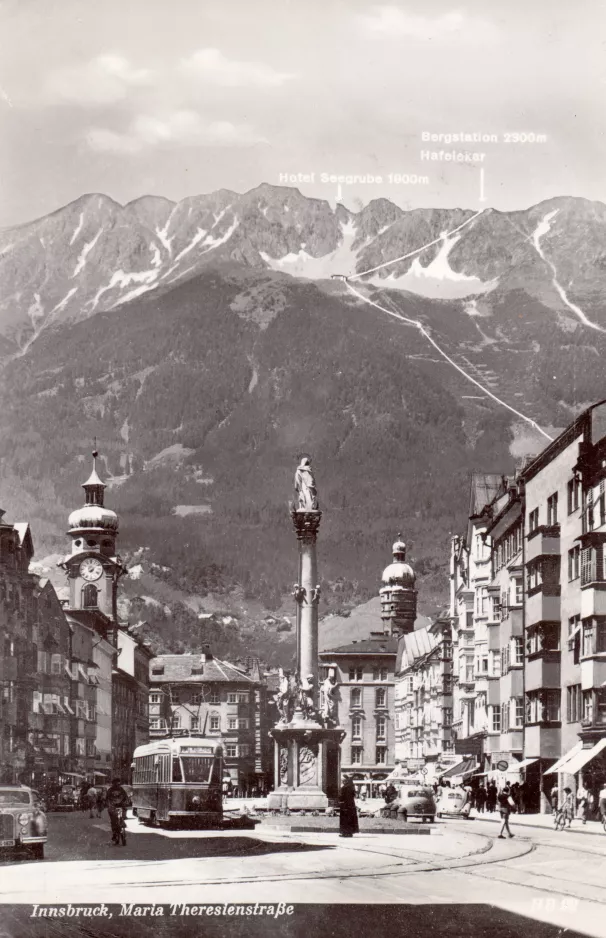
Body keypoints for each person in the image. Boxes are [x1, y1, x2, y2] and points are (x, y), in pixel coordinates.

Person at [106, 778, 130, 845]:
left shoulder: (111, 790)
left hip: (116, 807)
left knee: (114, 821)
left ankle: (115, 833)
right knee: (114, 821)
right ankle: (115, 832)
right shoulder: (119, 789)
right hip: (116, 807)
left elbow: (107, 799)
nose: (117, 784)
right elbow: (126, 798)